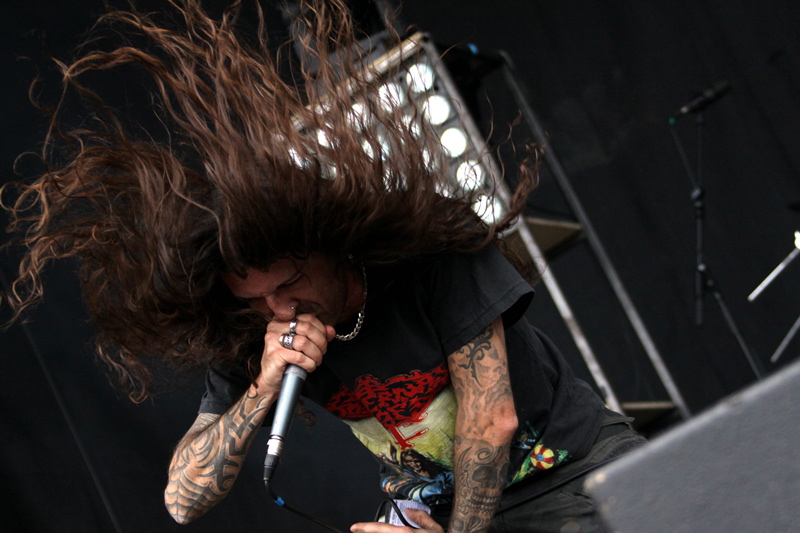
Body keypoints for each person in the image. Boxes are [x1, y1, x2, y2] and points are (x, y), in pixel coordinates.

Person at [2, 1, 645, 532]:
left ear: (331, 249)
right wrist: (259, 390)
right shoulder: (258, 335)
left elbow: (491, 418)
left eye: (290, 285)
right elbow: (180, 500)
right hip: (440, 512)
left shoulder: (431, 257)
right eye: (256, 303)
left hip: (569, 472)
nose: (282, 310)